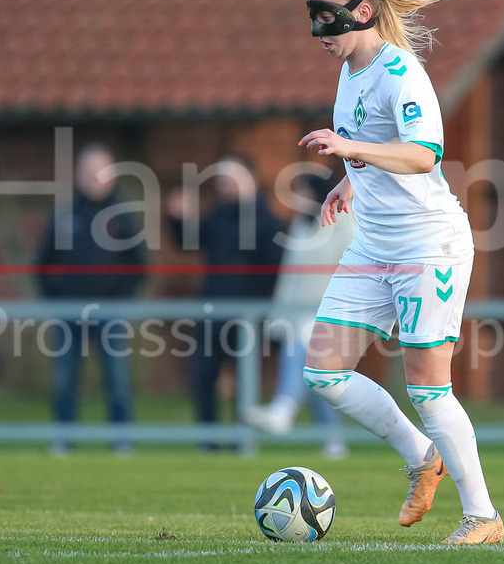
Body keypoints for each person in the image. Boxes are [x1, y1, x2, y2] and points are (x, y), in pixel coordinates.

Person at [297, 0, 504, 544]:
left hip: (427, 246)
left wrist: (349, 150)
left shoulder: (400, 73)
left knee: (427, 388)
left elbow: (422, 155)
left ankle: (483, 517)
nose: (319, 32)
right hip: (374, 244)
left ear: (362, 12)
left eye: (327, 18)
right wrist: (348, 182)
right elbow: (373, 144)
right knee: (323, 371)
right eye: (312, 19)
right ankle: (422, 457)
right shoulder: (349, 71)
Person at [35, 143, 147, 454]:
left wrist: (119, 300)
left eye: (101, 171)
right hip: (70, 314)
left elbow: (140, 266)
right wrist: (57, 299)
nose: (94, 177)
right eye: (89, 171)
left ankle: (121, 439)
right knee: (64, 380)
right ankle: (64, 438)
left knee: (117, 380)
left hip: (110, 315)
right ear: (78, 174)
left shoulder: (122, 217)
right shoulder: (64, 214)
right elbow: (42, 264)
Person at [167, 155, 285, 446]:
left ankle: (242, 441)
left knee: (245, 382)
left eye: (230, 179)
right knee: (203, 377)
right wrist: (178, 219)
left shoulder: (268, 222)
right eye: (221, 180)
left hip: (247, 317)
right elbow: (189, 240)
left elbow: (275, 271)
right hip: (212, 313)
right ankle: (208, 442)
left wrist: (251, 301)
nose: (224, 185)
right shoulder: (218, 216)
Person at [243, 173, 354, 459]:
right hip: (298, 314)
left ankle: (283, 409)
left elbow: (352, 267)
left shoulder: (343, 222)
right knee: (316, 374)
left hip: (330, 312)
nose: (300, 199)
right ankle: (333, 440)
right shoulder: (300, 226)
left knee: (302, 357)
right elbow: (290, 277)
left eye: (305, 192)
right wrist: (279, 318)